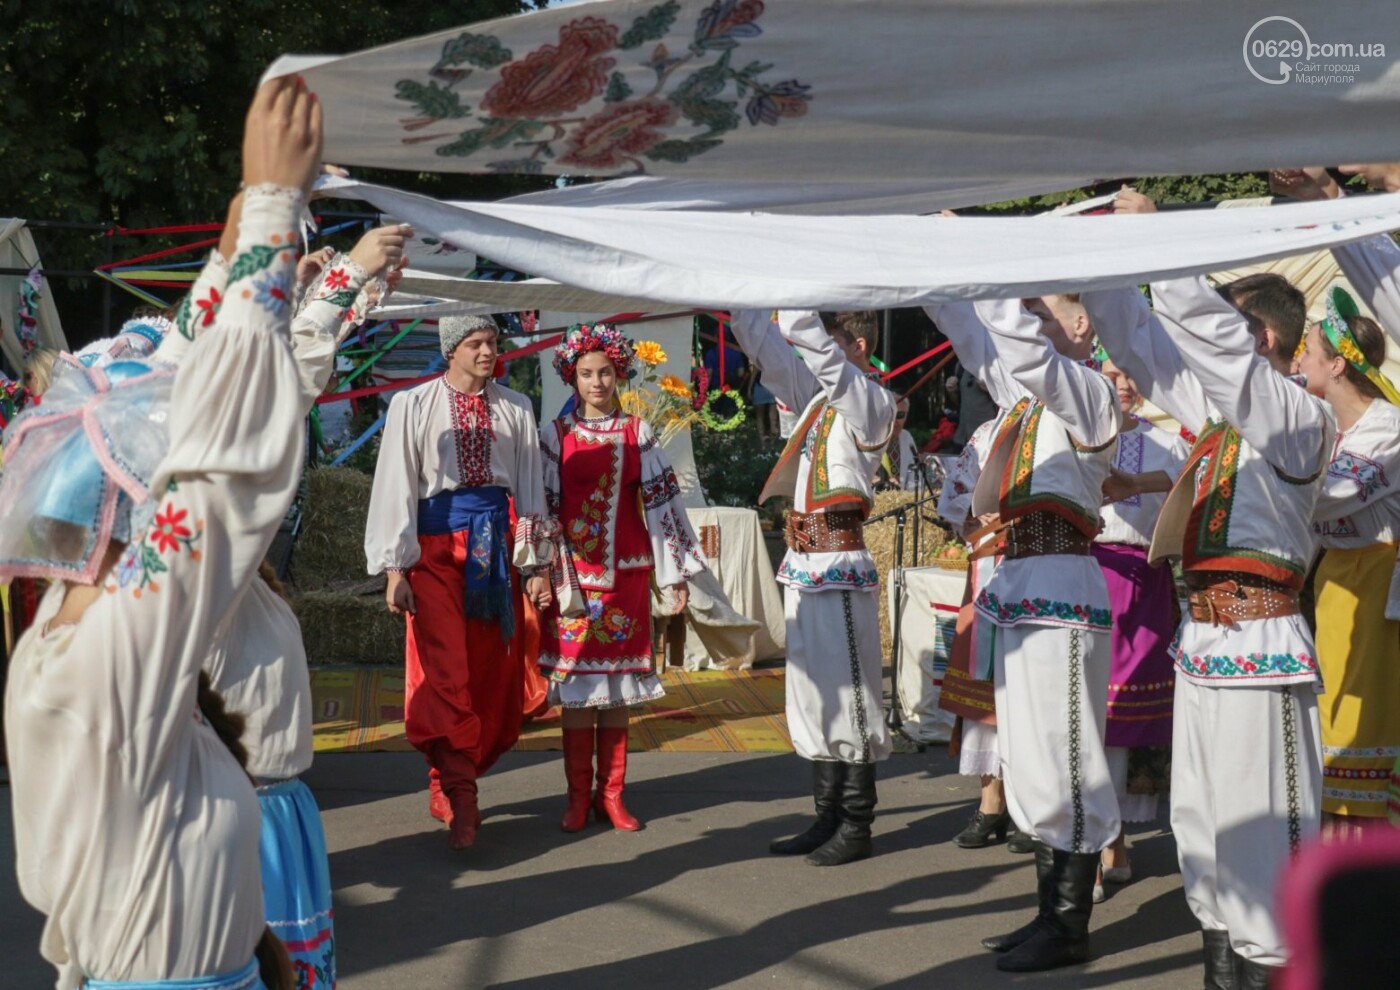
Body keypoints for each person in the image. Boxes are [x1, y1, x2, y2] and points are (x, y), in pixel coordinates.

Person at [1, 75, 322, 989]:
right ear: (132, 505)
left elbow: (157, 403)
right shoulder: (118, 644)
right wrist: (268, 217)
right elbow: (221, 474)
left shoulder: (73, 624)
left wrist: (226, 262)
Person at [1084, 212, 1328, 985]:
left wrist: (1167, 243)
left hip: (1262, 649)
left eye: (1228, 317)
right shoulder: (1221, 420)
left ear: (1260, 338)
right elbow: (1137, 346)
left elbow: (1209, 348)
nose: (1208, 333)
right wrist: (1099, 251)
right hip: (1206, 643)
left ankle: (1266, 968)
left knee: (1266, 831)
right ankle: (1221, 969)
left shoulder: (1295, 418)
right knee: (1204, 826)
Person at [924, 295, 1121, 972]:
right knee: (1033, 759)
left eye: (1047, 306)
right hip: (1025, 586)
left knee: (1066, 756)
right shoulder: (1030, 400)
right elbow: (974, 335)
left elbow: (1022, 349)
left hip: (1062, 589)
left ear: (1082, 323)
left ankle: (1069, 924)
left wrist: (1000, 276)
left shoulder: (1086, 392)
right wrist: (945, 261)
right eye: (1025, 306)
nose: (1031, 316)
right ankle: (1048, 912)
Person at [365, 312, 548, 850]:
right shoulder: (413, 405)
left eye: (492, 341)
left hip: (492, 551)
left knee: (490, 671)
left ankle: (450, 778)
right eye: (476, 343)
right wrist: (395, 567)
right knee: (445, 669)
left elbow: (531, 491)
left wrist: (534, 566)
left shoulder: (516, 407)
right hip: (435, 552)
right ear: (451, 350)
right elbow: (394, 483)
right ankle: (463, 799)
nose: (488, 351)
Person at [730, 308, 897, 867]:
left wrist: (799, 293)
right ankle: (825, 813)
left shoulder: (871, 402)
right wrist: (744, 299)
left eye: (829, 344)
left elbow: (817, 355)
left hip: (841, 562)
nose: (814, 353)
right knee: (812, 694)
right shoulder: (820, 402)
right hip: (804, 563)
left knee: (849, 691)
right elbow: (772, 356)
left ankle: (857, 820)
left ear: (856, 346)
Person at [536, 323, 706, 832]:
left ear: (619, 374)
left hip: (627, 577)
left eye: (605, 372)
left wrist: (674, 576)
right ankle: (574, 796)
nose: (596, 382)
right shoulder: (555, 435)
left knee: (615, 692)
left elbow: (662, 504)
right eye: (586, 373)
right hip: (572, 582)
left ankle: (612, 795)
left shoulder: (640, 432)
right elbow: (543, 507)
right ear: (572, 377)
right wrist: (539, 571)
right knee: (575, 690)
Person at [1294, 288, 1400, 835]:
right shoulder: (1328, 427)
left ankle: (1362, 853)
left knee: (1361, 718)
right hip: (1340, 578)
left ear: (1336, 364)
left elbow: (1331, 496)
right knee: (1332, 712)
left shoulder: (1388, 428)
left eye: (1308, 350)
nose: (1299, 360)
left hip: (1378, 587)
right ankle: (1339, 847)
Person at [1091, 360, 1189, 900]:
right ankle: (1101, 839)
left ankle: (1116, 840)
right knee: (1093, 715)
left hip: (1145, 581)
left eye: (1132, 372)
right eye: (1113, 372)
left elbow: (1188, 490)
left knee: (1126, 717)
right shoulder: (1078, 436)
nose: (1124, 383)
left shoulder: (1169, 443)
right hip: (1091, 576)